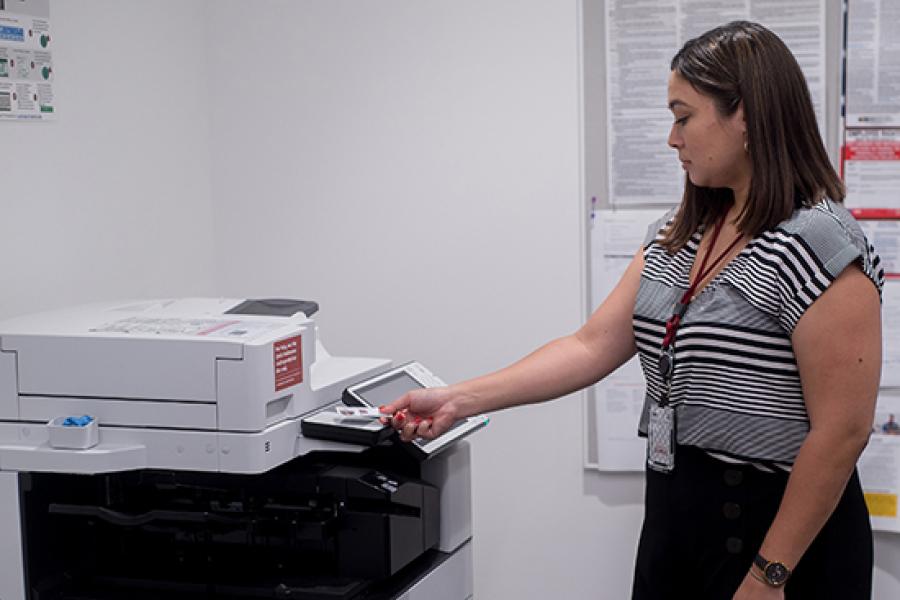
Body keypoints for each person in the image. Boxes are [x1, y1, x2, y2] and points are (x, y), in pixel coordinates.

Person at [381, 21, 883, 599]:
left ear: (743, 115)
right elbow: (591, 345)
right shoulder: (683, 234)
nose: (673, 138)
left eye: (683, 116)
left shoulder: (819, 245)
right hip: (679, 511)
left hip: (781, 534)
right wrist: (457, 399)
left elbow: (842, 432)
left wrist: (770, 574)